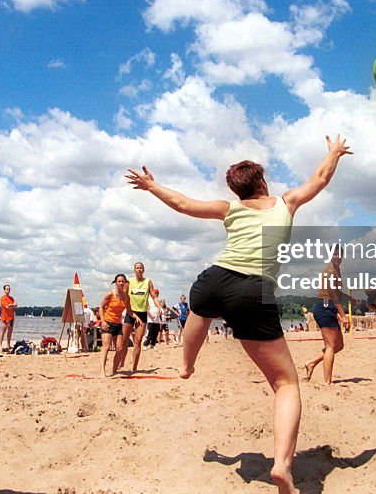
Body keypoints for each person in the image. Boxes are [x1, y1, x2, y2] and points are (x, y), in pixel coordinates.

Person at [125, 133, 352, 494]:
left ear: (237, 190)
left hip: (214, 279)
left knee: (201, 310)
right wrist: (335, 152)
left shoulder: (229, 209)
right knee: (286, 384)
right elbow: (320, 179)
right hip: (253, 290)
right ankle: (281, 466)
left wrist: (152, 186)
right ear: (262, 182)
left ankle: (186, 365)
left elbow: (183, 204)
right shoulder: (286, 202)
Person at [303, 247, 347, 385]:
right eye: (334, 254)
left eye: (339, 255)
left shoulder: (337, 270)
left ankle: (311, 363)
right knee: (330, 346)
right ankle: (327, 382)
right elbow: (332, 295)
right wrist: (343, 315)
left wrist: (338, 312)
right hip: (324, 307)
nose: (337, 257)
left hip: (330, 308)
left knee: (338, 345)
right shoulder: (330, 271)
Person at [119, 262, 161, 373]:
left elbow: (153, 295)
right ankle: (122, 361)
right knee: (124, 340)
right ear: (134, 270)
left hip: (142, 314)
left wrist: (158, 306)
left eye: (141, 268)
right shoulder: (130, 282)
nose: (139, 269)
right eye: (137, 268)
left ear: (143, 270)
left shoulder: (148, 282)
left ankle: (134, 367)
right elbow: (123, 295)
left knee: (138, 341)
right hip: (130, 313)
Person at [98, 274, 131, 378]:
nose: (121, 283)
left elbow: (129, 311)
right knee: (106, 347)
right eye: (119, 281)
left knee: (119, 349)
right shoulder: (110, 294)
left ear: (125, 283)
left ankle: (114, 370)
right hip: (108, 323)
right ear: (116, 283)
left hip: (118, 324)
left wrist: (137, 318)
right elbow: (101, 307)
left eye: (122, 281)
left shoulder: (126, 297)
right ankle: (102, 372)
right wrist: (103, 321)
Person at [0, 285, 17, 352]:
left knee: (10, 332)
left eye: (9, 289)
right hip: (4, 317)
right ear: (4, 290)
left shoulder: (11, 298)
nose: (8, 290)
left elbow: (16, 305)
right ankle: (0, 345)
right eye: (7, 289)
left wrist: (11, 305)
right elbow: (7, 307)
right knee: (3, 331)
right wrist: (12, 305)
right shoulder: (2, 298)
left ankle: (8, 345)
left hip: (11, 317)